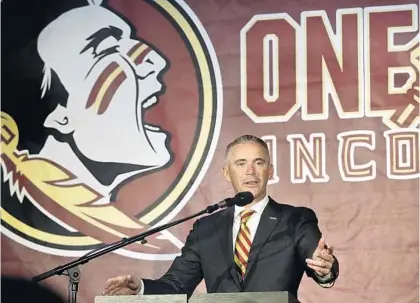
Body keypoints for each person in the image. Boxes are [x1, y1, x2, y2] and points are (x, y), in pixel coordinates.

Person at [103, 134, 339, 299]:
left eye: (259, 163)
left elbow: (317, 257)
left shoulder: (296, 219)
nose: (250, 171)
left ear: (270, 170)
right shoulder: (206, 228)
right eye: (241, 163)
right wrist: (140, 288)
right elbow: (176, 285)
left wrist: (324, 268)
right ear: (227, 173)